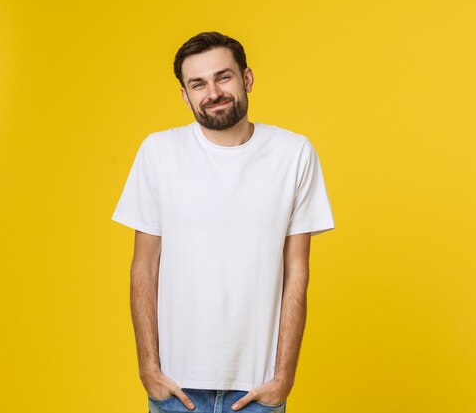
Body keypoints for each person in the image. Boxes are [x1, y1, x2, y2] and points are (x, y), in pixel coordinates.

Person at [111, 31, 335, 413]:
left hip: (258, 390)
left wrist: (284, 377)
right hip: (175, 389)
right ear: (185, 94)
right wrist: (148, 368)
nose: (213, 92)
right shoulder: (159, 153)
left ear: (246, 78)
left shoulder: (293, 153)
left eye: (223, 77)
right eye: (198, 83)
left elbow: (297, 270)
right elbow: (144, 267)